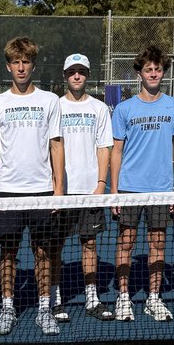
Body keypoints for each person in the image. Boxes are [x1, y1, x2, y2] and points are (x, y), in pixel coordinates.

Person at [0, 37, 63, 335]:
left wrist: (58, 190)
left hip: (42, 190)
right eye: (16, 62)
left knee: (43, 252)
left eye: (26, 62)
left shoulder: (49, 100)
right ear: (8, 66)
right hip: (8, 191)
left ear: (33, 65)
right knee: (8, 253)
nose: (21, 67)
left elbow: (56, 145)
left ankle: (44, 309)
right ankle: (8, 308)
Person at [109, 45, 174, 323]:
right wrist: (114, 191)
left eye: (158, 69)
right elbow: (116, 151)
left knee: (158, 243)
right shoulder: (124, 108)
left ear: (163, 72)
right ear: (139, 74)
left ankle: (154, 298)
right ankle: (123, 298)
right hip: (129, 188)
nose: (153, 73)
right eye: (148, 69)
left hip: (162, 189)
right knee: (126, 243)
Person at [55, 53, 115, 320]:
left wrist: (101, 184)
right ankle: (55, 298)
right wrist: (56, 186)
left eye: (81, 71)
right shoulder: (55, 106)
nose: (76, 76)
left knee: (89, 244)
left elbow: (104, 148)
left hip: (90, 190)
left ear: (88, 75)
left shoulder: (99, 108)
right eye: (72, 72)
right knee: (55, 246)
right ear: (65, 75)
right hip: (61, 192)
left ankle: (92, 298)